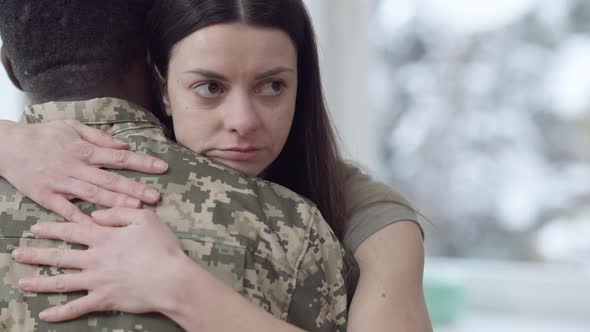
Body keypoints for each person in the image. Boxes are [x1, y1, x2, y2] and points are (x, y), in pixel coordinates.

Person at [1, 0, 432, 331]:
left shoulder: (370, 220)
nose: (243, 122)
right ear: (160, 82)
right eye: (209, 87)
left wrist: (180, 287)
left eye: (273, 86)